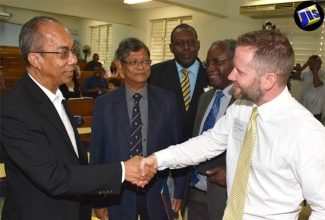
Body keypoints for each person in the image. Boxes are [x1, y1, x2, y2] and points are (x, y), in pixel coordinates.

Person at [139, 30, 325, 219]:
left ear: (269, 80)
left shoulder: (307, 133)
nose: (231, 76)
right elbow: (208, 143)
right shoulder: (242, 108)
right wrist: (158, 159)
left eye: (241, 72)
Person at [0, 16, 155, 220]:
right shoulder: (16, 109)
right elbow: (54, 177)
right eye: (63, 53)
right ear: (35, 59)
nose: (73, 59)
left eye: (72, 50)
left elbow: (74, 160)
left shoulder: (56, 95)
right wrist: (123, 170)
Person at [90, 37, 187, 220]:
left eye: (145, 61)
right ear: (119, 66)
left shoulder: (167, 100)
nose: (141, 67)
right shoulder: (104, 104)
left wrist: (179, 191)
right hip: (118, 195)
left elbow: (178, 148)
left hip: (157, 192)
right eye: (134, 62)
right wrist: (99, 200)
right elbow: (97, 155)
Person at [184, 39, 236, 220]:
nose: (210, 68)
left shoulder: (246, 103)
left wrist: (232, 172)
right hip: (194, 191)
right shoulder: (204, 98)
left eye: (218, 62)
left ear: (235, 62)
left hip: (224, 196)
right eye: (208, 63)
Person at [148, 23, 209, 142]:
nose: (186, 47)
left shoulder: (211, 74)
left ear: (198, 45)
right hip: (164, 146)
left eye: (191, 42)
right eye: (180, 43)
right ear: (171, 48)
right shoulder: (154, 73)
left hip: (201, 149)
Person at [292, 55, 325, 122]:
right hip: (305, 108)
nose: (311, 65)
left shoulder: (323, 74)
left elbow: (316, 83)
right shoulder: (307, 74)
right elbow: (295, 76)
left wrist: (315, 69)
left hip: (316, 110)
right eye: (310, 63)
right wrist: (305, 65)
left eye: (313, 64)